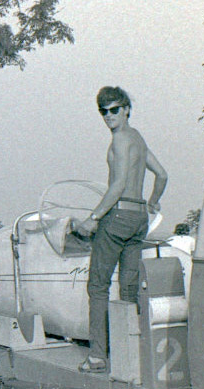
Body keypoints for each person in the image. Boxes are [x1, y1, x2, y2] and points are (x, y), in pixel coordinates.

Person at [74, 86, 168, 373]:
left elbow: (117, 186)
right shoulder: (138, 138)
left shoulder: (119, 140)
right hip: (139, 219)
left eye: (114, 109)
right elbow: (162, 174)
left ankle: (97, 357)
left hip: (118, 217)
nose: (108, 116)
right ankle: (130, 353)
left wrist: (93, 217)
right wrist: (152, 201)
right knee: (127, 289)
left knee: (98, 287)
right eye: (103, 111)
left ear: (126, 108)